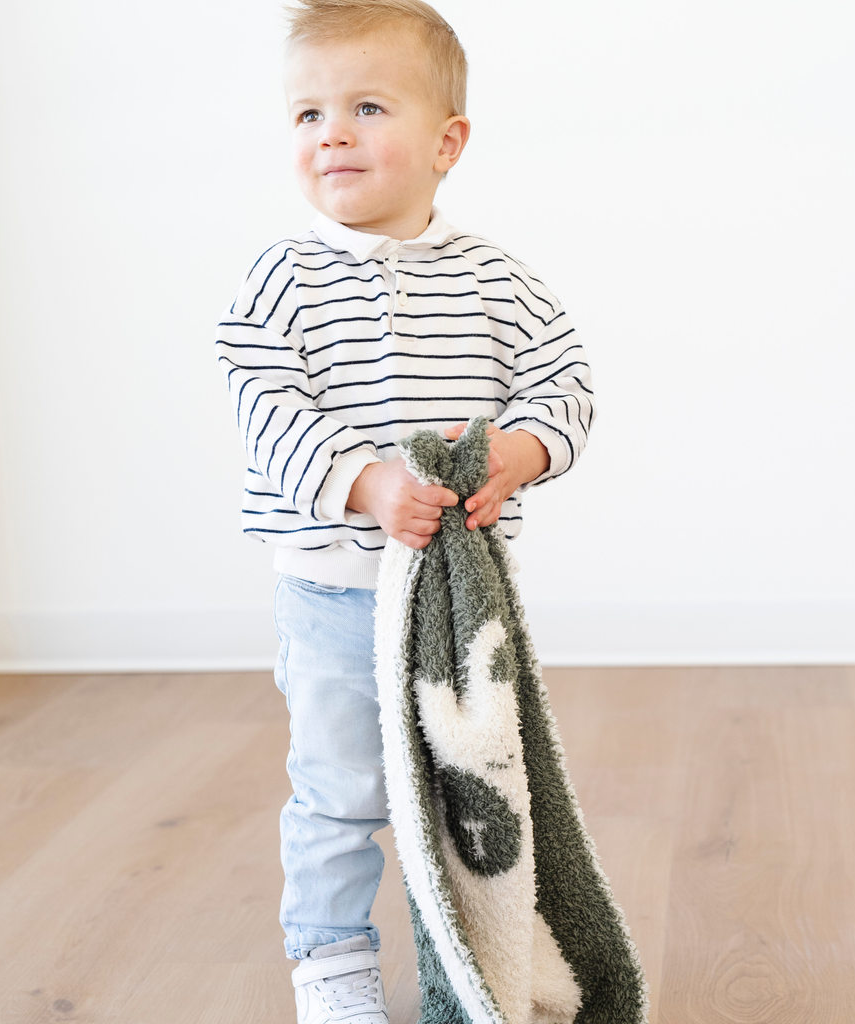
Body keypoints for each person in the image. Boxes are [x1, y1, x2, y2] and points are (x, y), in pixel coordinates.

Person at [216, 2, 594, 1021]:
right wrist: (364, 483)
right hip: (335, 595)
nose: (330, 134)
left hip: (459, 607)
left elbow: (566, 389)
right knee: (341, 790)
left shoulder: (499, 282)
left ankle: (469, 965)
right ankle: (332, 965)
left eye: (366, 108)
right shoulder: (280, 279)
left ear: (446, 142)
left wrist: (521, 450)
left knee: (469, 790)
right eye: (308, 114)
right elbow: (264, 405)